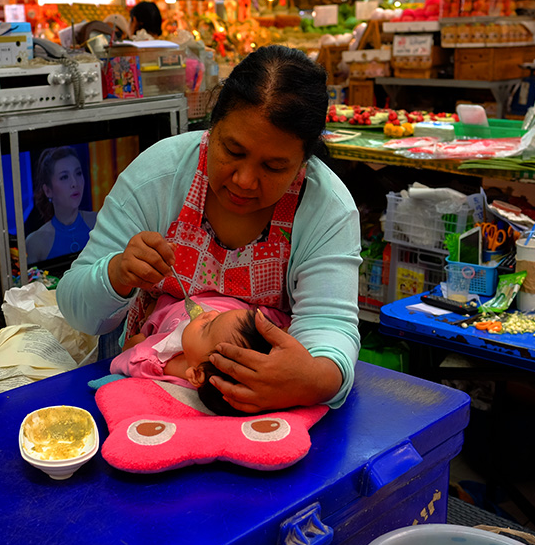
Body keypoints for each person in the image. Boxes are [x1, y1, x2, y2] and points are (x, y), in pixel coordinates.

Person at [58, 44, 361, 414]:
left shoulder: (326, 208)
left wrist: (312, 380)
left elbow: (328, 328)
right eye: (233, 150)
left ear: (303, 162)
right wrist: (117, 273)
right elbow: (78, 310)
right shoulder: (158, 176)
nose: (245, 180)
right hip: (140, 397)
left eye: (274, 167)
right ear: (212, 126)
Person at [111, 293, 286, 416]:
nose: (210, 313)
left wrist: (132, 347)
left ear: (196, 374)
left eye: (206, 327)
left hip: (170, 303)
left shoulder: (155, 361)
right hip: (237, 299)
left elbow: (121, 362)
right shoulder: (206, 350)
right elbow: (272, 320)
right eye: (218, 316)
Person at [24, 147, 97, 264]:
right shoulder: (35, 242)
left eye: (78, 173)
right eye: (64, 177)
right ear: (48, 191)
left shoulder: (99, 222)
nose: (75, 183)